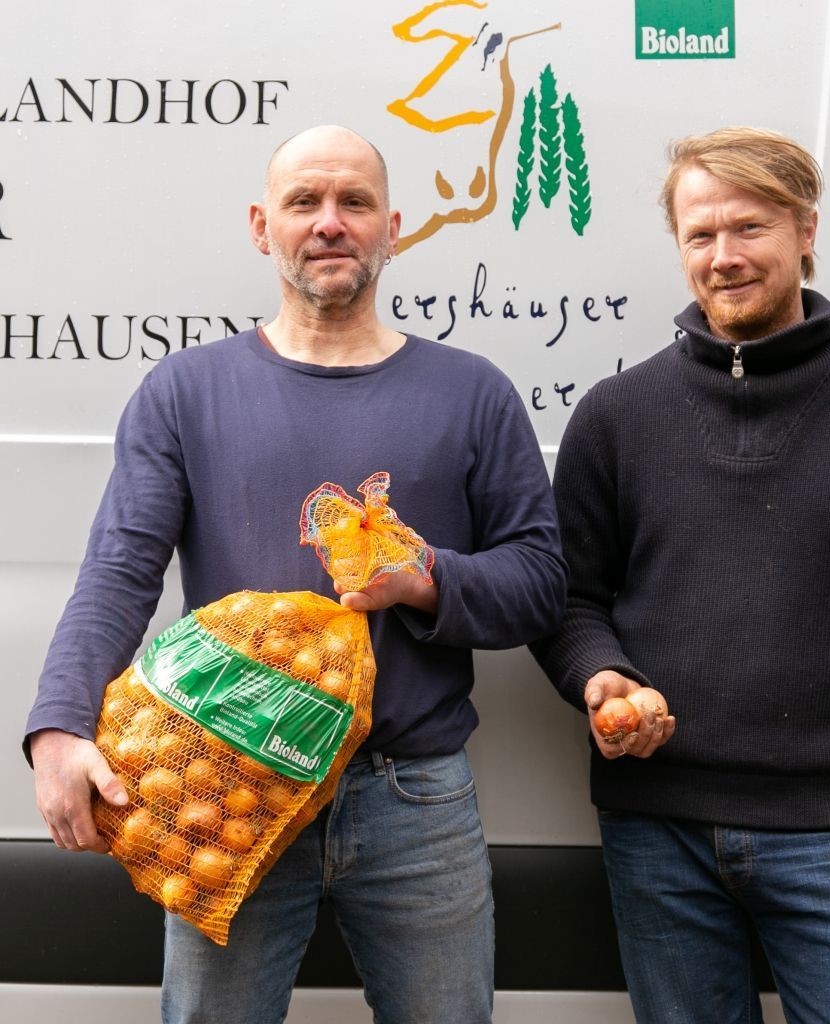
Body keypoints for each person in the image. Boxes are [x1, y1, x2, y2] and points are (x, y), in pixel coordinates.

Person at [25, 124, 567, 1024]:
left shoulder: (472, 392)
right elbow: (119, 571)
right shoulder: (186, 391)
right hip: (221, 787)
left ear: (393, 228)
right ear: (260, 226)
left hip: (413, 794)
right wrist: (56, 728)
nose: (329, 222)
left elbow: (542, 582)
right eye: (304, 201)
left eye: (355, 202)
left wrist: (422, 577)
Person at [530, 126, 830, 1024]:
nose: (724, 256)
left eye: (750, 228)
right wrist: (599, 675)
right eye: (700, 234)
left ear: (805, 230)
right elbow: (567, 599)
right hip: (654, 832)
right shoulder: (617, 416)